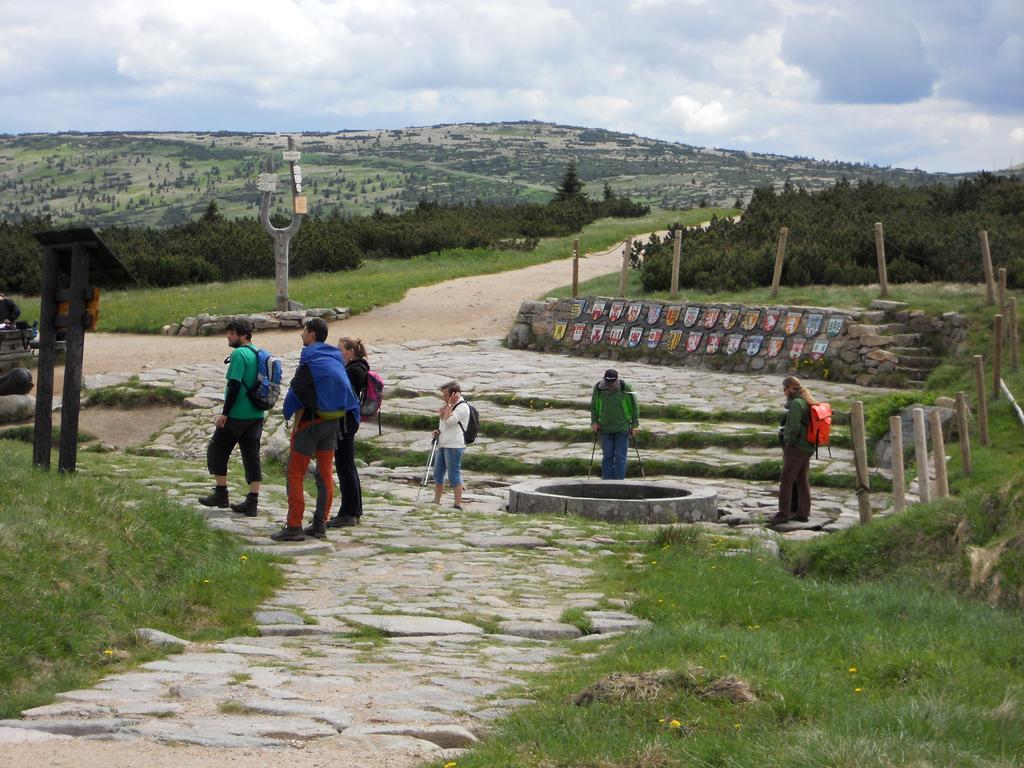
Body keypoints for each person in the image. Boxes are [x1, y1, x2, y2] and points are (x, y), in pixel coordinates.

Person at [273, 317, 359, 542]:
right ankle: (320, 523)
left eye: (304, 331)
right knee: (325, 474)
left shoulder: (310, 359)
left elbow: (296, 392)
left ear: (312, 334)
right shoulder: (335, 358)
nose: (301, 335)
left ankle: (293, 526)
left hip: (310, 424)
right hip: (333, 424)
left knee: (295, 473)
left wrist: (287, 415)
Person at [198, 319, 266, 515]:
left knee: (217, 449)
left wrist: (225, 413)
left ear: (244, 335)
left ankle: (221, 493)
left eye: (232, 333)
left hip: (238, 414)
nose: (228, 336)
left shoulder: (239, 354)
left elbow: (234, 385)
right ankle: (252, 501)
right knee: (252, 456)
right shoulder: (257, 352)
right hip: (257, 414)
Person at [325, 337, 369, 528]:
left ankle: (349, 512)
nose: (337, 352)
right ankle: (353, 510)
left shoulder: (354, 370)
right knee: (348, 465)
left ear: (349, 352)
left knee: (345, 466)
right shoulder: (359, 368)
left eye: (340, 349)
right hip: (349, 421)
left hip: (345, 422)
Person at [771, 375, 816, 525]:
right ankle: (803, 513)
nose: (784, 392)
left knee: (786, 479)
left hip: (797, 446)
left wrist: (787, 442)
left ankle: (783, 514)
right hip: (807, 446)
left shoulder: (796, 403)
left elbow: (794, 426)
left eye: (784, 389)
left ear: (789, 388)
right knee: (801, 479)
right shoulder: (804, 401)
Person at [590, 368, 639, 480]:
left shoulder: (625, 387)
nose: (610, 385)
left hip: (623, 428)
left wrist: (635, 425)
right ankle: (607, 482)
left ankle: (619, 482)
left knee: (621, 457)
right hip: (604, 428)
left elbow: (634, 406)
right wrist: (594, 421)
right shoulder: (598, 388)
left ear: (617, 379)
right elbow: (594, 406)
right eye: (608, 383)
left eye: (612, 383)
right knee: (607, 456)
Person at [433, 380, 470, 510]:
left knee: (454, 474)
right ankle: (436, 501)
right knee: (437, 473)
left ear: (455, 394)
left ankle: (457, 503)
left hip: (454, 445)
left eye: (446, 395)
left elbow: (449, 422)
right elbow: (443, 424)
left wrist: (449, 405)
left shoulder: (462, 407)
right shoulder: (448, 406)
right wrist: (437, 432)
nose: (444, 398)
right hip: (443, 443)